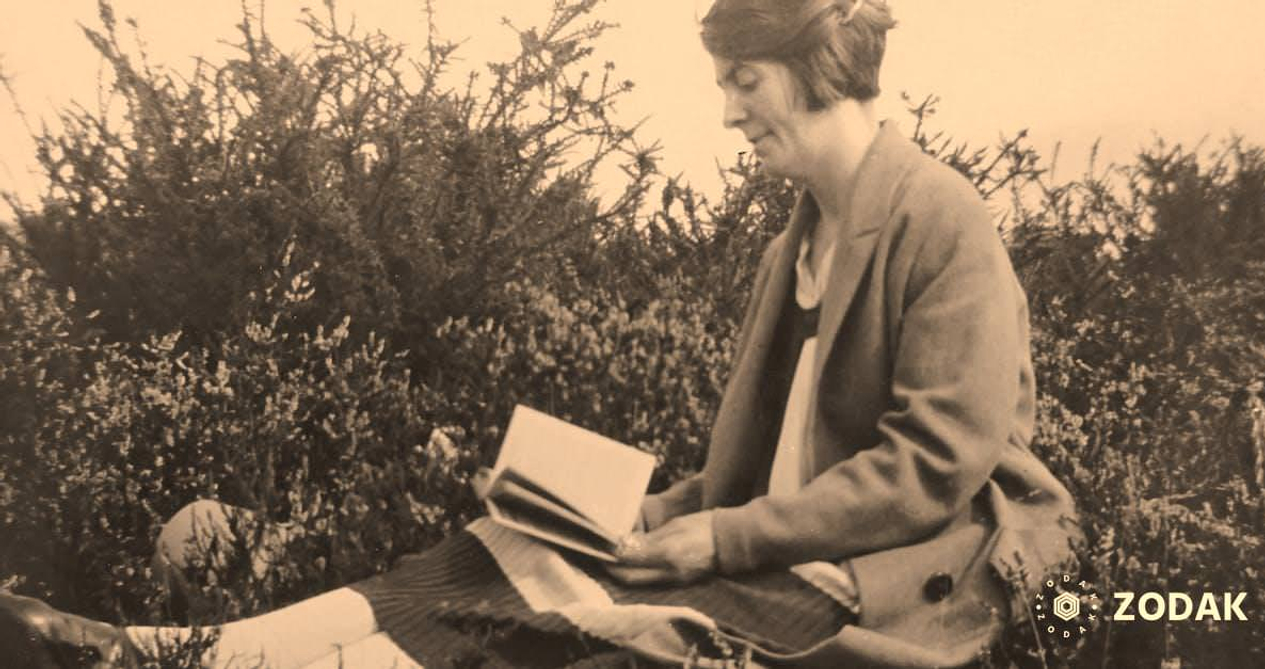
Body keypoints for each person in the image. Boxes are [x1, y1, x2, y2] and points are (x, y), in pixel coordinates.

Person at [0, 0, 1079, 666]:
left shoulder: (938, 214)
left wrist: (718, 539)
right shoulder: (795, 235)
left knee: (553, 616)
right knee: (508, 552)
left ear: (811, 68)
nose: (728, 112)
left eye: (741, 82)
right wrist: (636, 516)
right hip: (778, 541)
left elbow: (935, 465)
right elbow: (748, 471)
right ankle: (158, 654)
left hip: (895, 572)